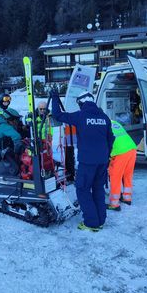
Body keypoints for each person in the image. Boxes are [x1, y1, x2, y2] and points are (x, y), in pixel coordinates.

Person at [51, 90, 114, 232]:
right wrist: (106, 154)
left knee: (83, 189)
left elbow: (58, 115)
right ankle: (100, 220)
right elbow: (111, 138)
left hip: (87, 161)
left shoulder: (80, 116)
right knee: (98, 189)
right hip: (102, 161)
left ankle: (91, 223)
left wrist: (55, 98)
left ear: (81, 103)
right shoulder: (104, 117)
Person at [107, 120, 137, 211]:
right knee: (127, 175)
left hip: (120, 152)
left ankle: (114, 203)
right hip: (131, 148)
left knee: (115, 176)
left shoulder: (103, 124)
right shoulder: (113, 122)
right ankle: (127, 198)